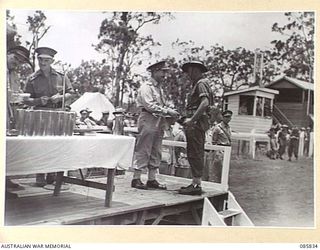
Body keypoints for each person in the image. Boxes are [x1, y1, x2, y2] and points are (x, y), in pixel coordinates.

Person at [23, 47, 74, 187]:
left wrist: (61, 97)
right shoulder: (32, 79)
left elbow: (71, 93)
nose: (43, 63)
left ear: (52, 61)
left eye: (46, 60)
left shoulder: (61, 77)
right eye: (40, 59)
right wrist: (38, 101)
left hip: (58, 114)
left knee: (56, 145)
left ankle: (53, 177)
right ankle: (40, 176)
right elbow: (25, 99)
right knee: (40, 145)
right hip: (40, 115)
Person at [131, 61, 180, 190]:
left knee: (156, 149)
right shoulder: (146, 87)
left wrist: (170, 110)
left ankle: (151, 179)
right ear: (155, 71)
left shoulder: (158, 88)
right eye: (163, 71)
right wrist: (168, 111)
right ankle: (136, 178)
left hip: (159, 120)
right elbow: (149, 105)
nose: (164, 75)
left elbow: (161, 105)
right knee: (144, 148)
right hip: (148, 118)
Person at [178, 61, 214, 195]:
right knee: (194, 152)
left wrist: (192, 120)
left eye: (189, 71)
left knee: (195, 152)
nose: (188, 74)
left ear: (195, 70)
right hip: (195, 123)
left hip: (196, 123)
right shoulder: (198, 84)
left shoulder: (201, 83)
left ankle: (196, 184)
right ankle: (195, 182)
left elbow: (205, 103)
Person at [6, 45, 31, 198]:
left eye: (20, 61)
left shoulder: (14, 74)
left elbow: (13, 94)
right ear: (8, 53)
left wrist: (20, 98)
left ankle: (6, 180)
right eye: (15, 58)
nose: (16, 63)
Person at [210, 110, 233, 182]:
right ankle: (217, 182)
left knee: (225, 169)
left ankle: (223, 183)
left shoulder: (229, 127)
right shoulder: (217, 127)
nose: (228, 119)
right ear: (223, 117)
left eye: (229, 117)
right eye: (226, 117)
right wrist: (216, 152)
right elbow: (213, 141)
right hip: (219, 150)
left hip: (227, 149)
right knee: (218, 169)